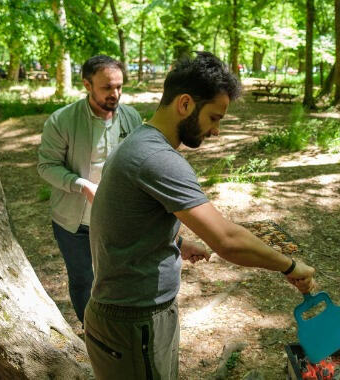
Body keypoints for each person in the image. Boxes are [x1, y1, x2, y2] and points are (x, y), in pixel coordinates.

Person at [85, 52, 316, 380]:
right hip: (133, 322)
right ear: (184, 104)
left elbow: (125, 216)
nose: (217, 131)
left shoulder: (138, 141)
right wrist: (290, 266)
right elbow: (227, 239)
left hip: (137, 318)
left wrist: (177, 240)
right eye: (214, 118)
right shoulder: (157, 158)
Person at [37, 55, 143, 325]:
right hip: (74, 221)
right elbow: (46, 166)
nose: (115, 94)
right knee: (84, 278)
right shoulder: (62, 121)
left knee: (119, 276)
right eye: (107, 87)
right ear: (87, 84)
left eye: (119, 86)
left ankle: (118, 329)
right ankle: (93, 331)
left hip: (117, 217)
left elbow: (141, 162)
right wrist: (81, 185)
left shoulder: (131, 118)